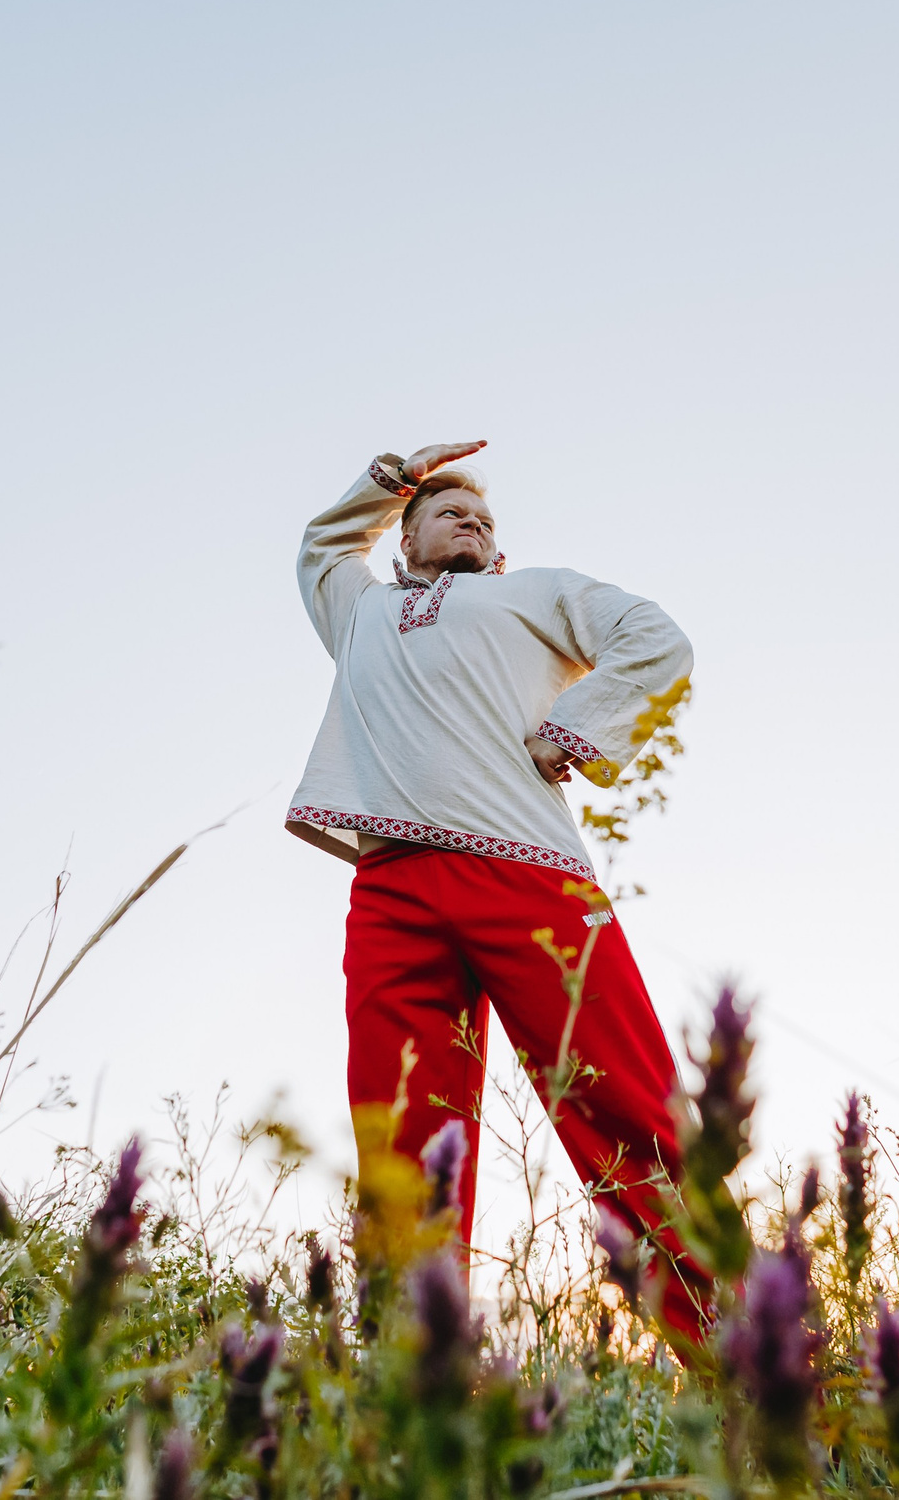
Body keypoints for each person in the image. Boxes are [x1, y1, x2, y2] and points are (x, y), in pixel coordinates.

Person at [286, 439, 709, 1339]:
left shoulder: (529, 593)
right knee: (403, 1142)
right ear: (404, 544)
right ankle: (419, 1381)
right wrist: (392, 478)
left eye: (484, 519)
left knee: (625, 1104)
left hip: (530, 873)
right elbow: (324, 546)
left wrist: (577, 728)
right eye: (448, 513)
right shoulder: (357, 611)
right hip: (392, 888)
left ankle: (750, 1357)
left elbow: (656, 638)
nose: (472, 523)